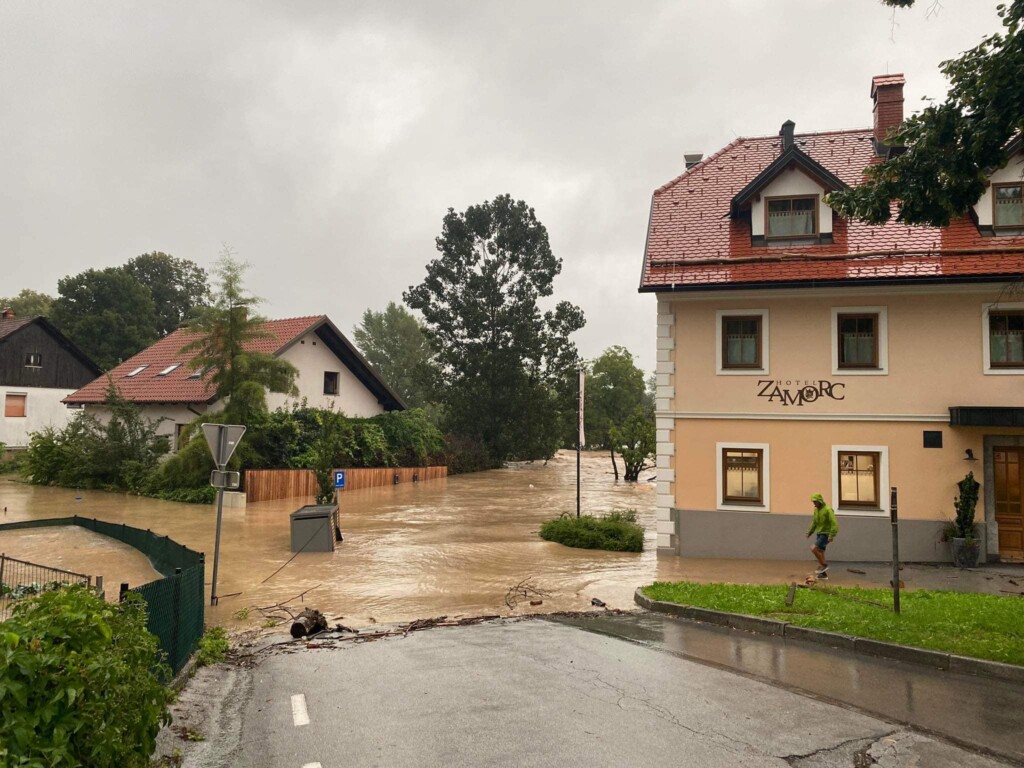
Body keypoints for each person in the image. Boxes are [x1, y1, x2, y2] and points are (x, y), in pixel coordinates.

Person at [806, 493, 838, 579]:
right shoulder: (816, 510)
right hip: (819, 533)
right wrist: (810, 532)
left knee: (814, 548)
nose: (814, 504)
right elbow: (814, 522)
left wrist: (832, 535)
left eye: (815, 502)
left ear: (820, 501)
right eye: (813, 502)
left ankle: (824, 565)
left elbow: (834, 523)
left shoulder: (828, 510)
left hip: (826, 534)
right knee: (820, 551)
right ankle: (823, 575)